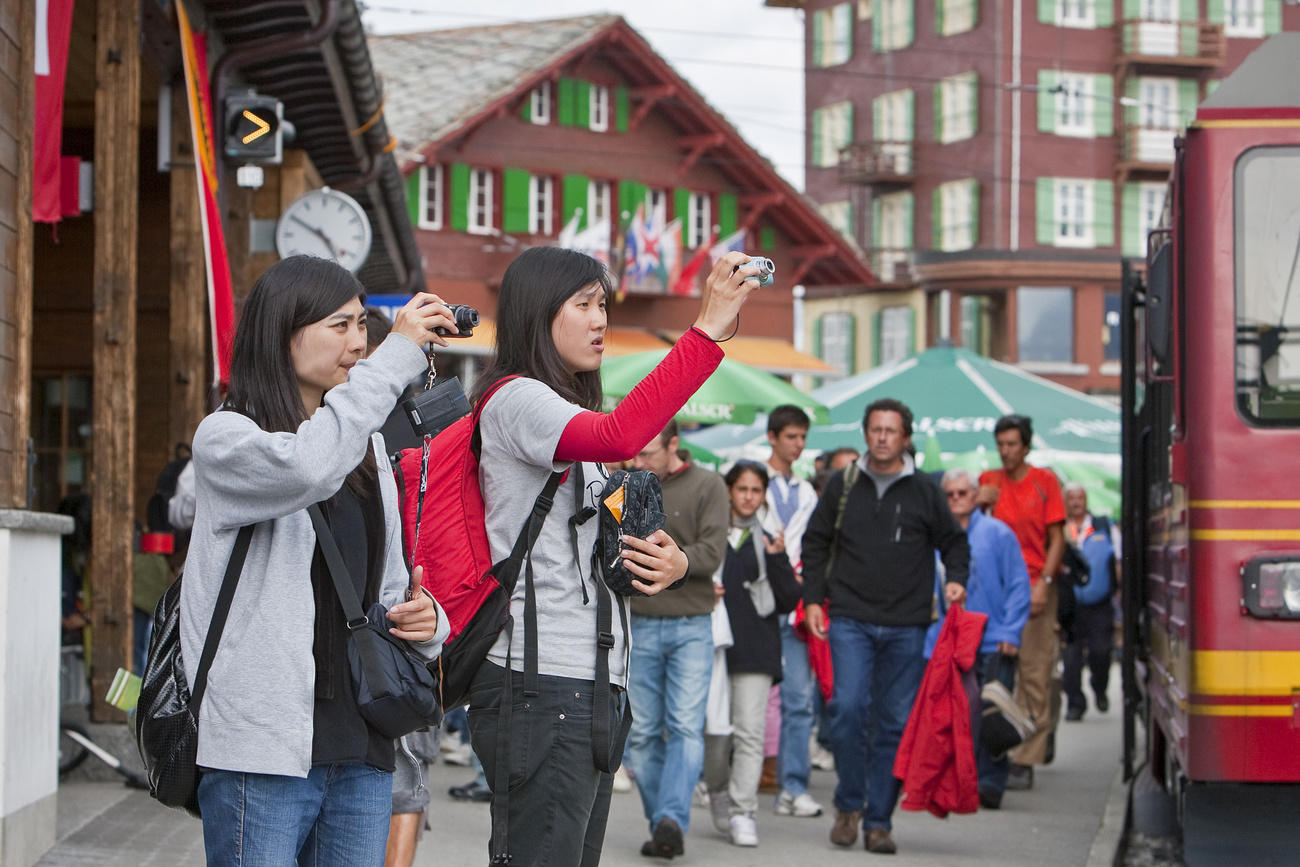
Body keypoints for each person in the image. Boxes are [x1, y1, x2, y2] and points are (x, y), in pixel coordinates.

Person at [466, 245, 760, 865]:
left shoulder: (570, 413)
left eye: (603, 305)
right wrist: (706, 328)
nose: (600, 320)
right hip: (538, 682)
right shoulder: (516, 399)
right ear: (538, 314)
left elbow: (605, 547)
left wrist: (670, 559)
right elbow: (624, 434)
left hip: (591, 681)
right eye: (584, 305)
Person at [181, 256, 453, 865]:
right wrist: (396, 356)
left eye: (363, 324)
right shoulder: (227, 439)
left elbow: (386, 584)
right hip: (263, 751)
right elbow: (308, 466)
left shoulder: (366, 449)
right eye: (340, 325)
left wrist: (428, 625)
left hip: (361, 745)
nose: (359, 342)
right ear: (284, 332)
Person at [801, 398, 970, 855]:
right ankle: (849, 804)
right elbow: (815, 542)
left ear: (905, 437)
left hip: (906, 623)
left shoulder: (925, 490)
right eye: (875, 429)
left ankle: (878, 820)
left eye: (890, 431)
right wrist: (814, 599)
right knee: (848, 710)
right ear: (866, 433)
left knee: (893, 723)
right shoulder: (844, 483)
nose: (881, 437)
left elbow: (954, 542)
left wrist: (955, 580)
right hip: (850, 619)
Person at [628, 421, 730, 857]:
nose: (638, 461)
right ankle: (663, 824)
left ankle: (672, 817)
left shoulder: (709, 484)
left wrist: (678, 561)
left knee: (685, 726)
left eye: (647, 453)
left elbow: (713, 551)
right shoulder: (626, 482)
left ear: (674, 446)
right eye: (634, 452)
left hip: (691, 622)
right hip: (640, 621)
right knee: (644, 733)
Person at [703, 461, 802, 846]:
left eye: (756, 490)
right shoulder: (713, 531)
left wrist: (777, 558)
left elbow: (789, 599)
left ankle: (744, 811)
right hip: (714, 645)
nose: (748, 497)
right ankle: (718, 791)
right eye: (742, 489)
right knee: (715, 735)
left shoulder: (769, 538)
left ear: (763, 495)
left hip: (757, 647)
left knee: (749, 733)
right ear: (729, 490)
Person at [931, 468, 1030, 809]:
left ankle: (990, 782)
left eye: (962, 493)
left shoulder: (998, 534)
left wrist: (1010, 630)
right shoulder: (936, 536)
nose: (956, 499)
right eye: (950, 494)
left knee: (990, 713)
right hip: (947, 640)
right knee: (951, 714)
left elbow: (1019, 584)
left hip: (991, 639)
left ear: (975, 497)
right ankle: (955, 781)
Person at [977, 414, 1065, 787]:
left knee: (1033, 671)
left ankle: (1026, 756)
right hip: (992, 589)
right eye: (1001, 444)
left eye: (1012, 444)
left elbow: (1057, 537)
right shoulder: (988, 481)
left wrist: (1045, 581)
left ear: (1026, 446)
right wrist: (983, 503)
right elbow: (974, 529)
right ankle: (995, 747)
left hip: (1032, 583)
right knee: (994, 673)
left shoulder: (1044, 482)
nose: (1005, 451)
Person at [755, 405, 824, 819]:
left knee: (799, 699)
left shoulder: (807, 491)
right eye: (791, 437)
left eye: (802, 437)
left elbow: (813, 550)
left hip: (794, 604)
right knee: (737, 696)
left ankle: (793, 786)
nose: (798, 445)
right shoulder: (745, 478)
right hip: (753, 602)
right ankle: (722, 783)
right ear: (773, 436)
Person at [1061, 483, 1118, 722]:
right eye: (1071, 497)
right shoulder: (1060, 530)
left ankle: (1099, 687)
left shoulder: (1104, 526)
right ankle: (1075, 703)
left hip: (1100, 604)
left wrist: (1121, 591)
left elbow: (1118, 561)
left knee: (1100, 651)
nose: (1076, 502)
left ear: (1086, 500)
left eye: (1080, 497)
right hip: (1070, 605)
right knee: (1071, 657)